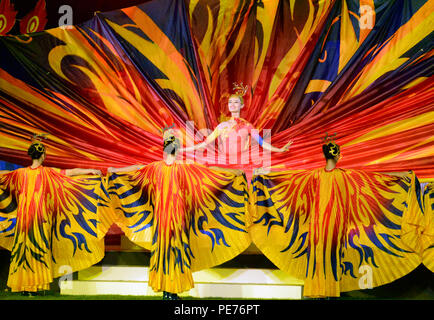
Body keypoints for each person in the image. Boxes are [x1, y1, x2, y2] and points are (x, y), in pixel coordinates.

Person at [250, 135, 425, 298]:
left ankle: (319, 289)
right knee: (332, 257)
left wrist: (264, 175)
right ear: (339, 156)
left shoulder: (315, 175)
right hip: (336, 225)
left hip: (319, 226)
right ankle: (327, 290)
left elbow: (289, 179)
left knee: (320, 257)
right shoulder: (345, 175)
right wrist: (402, 176)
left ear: (325, 156)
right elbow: (376, 178)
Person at [107, 128, 251, 300]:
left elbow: (210, 171)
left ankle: (170, 291)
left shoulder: (175, 168)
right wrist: (116, 170)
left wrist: (234, 172)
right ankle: (170, 292)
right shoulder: (158, 168)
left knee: (170, 252)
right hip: (166, 219)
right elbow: (137, 169)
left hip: (175, 218)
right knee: (170, 252)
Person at [0, 140, 109, 295]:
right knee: (38, 249)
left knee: (24, 251)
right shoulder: (47, 172)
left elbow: (3, 176)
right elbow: (70, 172)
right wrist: (90, 170)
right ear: (42, 155)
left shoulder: (21, 173)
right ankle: (35, 286)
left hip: (24, 219)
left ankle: (25, 286)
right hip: (40, 219)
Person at [179, 83, 293, 180]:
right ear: (228, 106)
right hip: (223, 161)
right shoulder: (222, 126)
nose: (232, 105)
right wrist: (182, 149)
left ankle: (242, 174)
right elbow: (204, 143)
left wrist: (279, 149)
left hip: (242, 161)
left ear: (242, 105)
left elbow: (262, 143)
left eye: (236, 102)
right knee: (205, 170)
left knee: (259, 173)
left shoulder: (248, 126)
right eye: (230, 102)